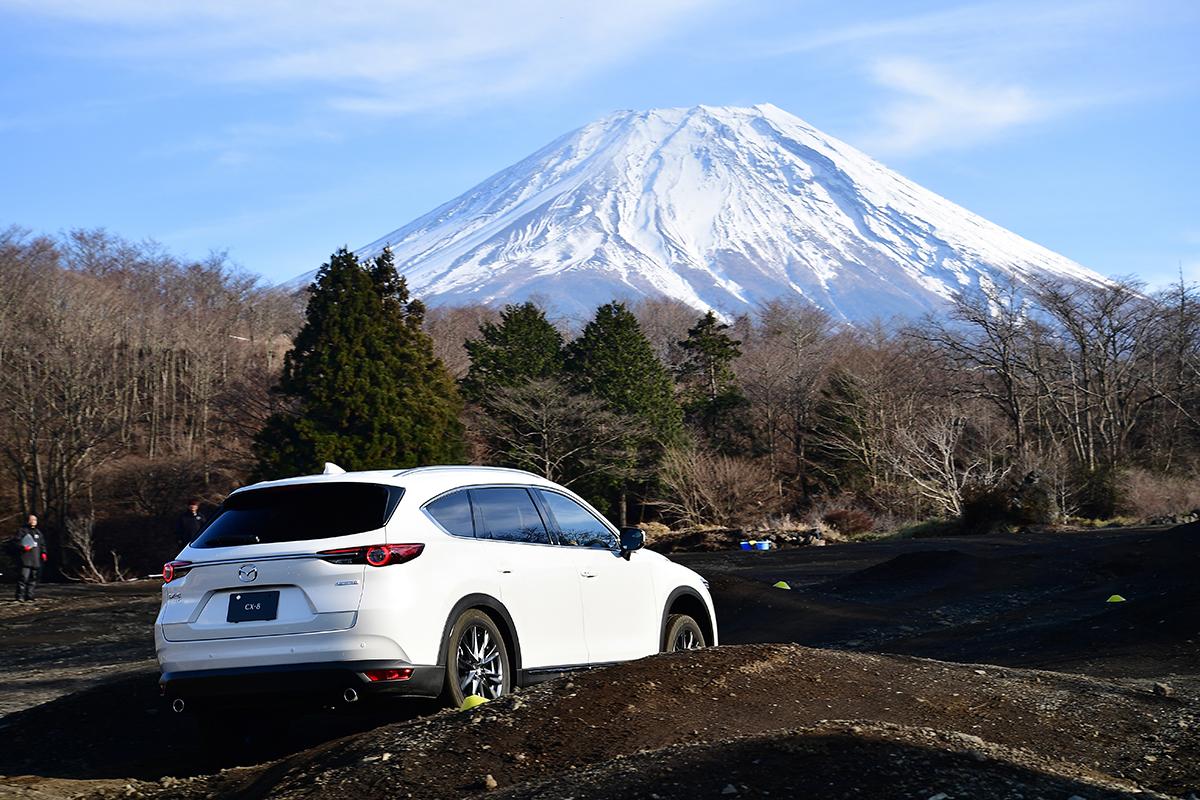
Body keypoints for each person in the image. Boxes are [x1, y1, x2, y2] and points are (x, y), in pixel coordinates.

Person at [13, 514, 47, 602]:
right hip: (25, 559)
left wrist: (44, 553)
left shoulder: (38, 532)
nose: (34, 521)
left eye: (35, 520)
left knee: (33, 578)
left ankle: (30, 596)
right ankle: (20, 596)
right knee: (23, 578)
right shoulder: (22, 531)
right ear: (28, 520)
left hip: (36, 559)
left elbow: (42, 544)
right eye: (32, 519)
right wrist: (23, 547)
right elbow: (16, 542)